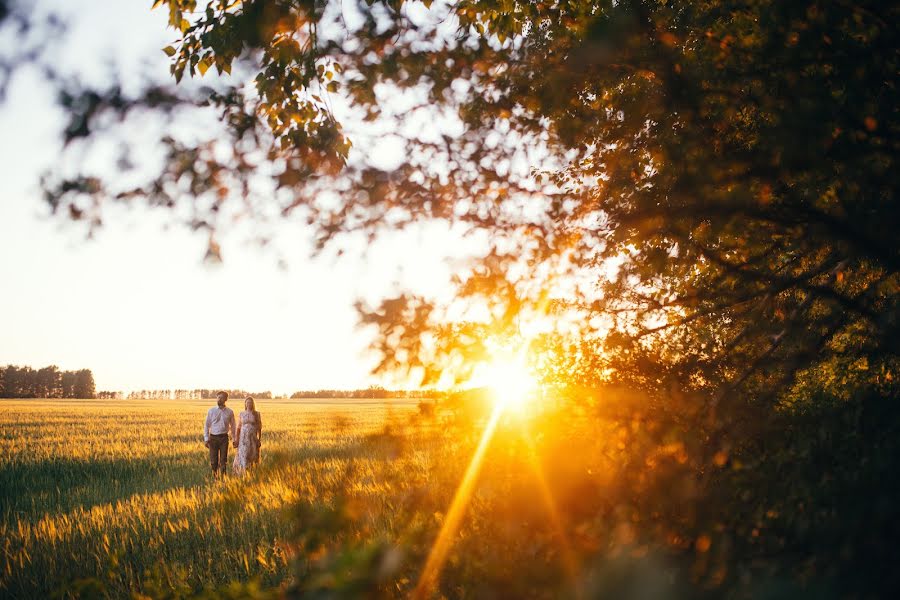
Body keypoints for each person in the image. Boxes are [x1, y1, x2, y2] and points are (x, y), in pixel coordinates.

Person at [203, 391, 236, 477]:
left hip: (224, 438)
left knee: (223, 460)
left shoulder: (230, 412)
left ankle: (224, 477)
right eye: (218, 397)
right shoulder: (211, 411)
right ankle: (215, 477)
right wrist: (206, 439)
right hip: (213, 438)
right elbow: (206, 425)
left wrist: (234, 439)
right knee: (213, 460)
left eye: (221, 398)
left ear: (225, 399)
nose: (219, 399)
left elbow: (233, 427)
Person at [233, 396, 262, 475]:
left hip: (253, 438)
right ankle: (243, 473)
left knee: (252, 454)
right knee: (243, 454)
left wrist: (259, 439)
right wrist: (237, 439)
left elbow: (259, 427)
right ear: (245, 404)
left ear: (253, 404)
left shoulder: (257, 414)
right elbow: (238, 428)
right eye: (247, 402)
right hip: (243, 438)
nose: (249, 404)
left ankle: (252, 472)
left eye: (250, 402)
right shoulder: (241, 414)